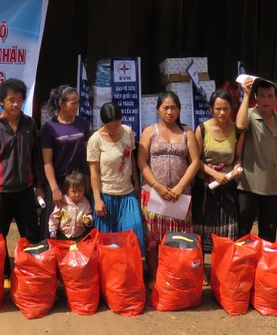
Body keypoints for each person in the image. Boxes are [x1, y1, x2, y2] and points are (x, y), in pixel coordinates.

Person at [0, 78, 45, 278]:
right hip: (0, 193)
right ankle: (3, 278)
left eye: (19, 99)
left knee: (32, 237)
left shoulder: (29, 124)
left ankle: (32, 276)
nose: (15, 104)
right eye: (11, 100)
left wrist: (39, 186)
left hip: (25, 191)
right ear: (2, 101)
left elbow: (35, 157)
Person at [138, 91, 201, 279]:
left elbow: (195, 162)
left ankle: (175, 276)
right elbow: (141, 162)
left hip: (180, 196)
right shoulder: (149, 131)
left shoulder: (188, 132)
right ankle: (156, 277)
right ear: (158, 109)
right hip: (154, 194)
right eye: (165, 107)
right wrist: (157, 185)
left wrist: (180, 186)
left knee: (179, 238)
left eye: (174, 107)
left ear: (180, 109)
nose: (169, 111)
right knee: (153, 238)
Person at [87, 101, 144, 252]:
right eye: (108, 125)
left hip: (127, 192)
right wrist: (97, 199)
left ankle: (131, 271)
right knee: (107, 242)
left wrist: (136, 183)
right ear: (102, 122)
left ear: (121, 120)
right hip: (106, 194)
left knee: (133, 233)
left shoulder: (127, 131)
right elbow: (93, 171)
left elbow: (130, 158)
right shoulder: (95, 140)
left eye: (116, 124)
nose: (113, 128)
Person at [235, 77, 277, 242]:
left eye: (270, 96)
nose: (265, 100)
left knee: (269, 231)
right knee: (244, 229)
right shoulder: (249, 115)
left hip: (273, 184)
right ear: (255, 97)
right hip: (249, 182)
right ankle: (242, 265)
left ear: (276, 98)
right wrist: (245, 95)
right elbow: (240, 126)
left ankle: (265, 266)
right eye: (261, 95)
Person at [192, 89, 241, 254]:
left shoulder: (236, 130)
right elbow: (195, 160)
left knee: (226, 229)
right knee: (202, 227)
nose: (222, 112)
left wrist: (236, 169)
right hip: (204, 186)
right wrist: (214, 174)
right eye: (218, 108)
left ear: (231, 109)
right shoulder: (202, 129)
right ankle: (202, 270)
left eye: (226, 108)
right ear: (211, 109)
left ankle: (221, 268)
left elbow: (238, 157)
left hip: (227, 186)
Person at [39, 84, 91, 238]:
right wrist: (54, 188)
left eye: (78, 102)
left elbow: (89, 155)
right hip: (59, 184)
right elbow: (47, 161)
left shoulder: (82, 123)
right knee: (56, 225)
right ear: (61, 104)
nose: (77, 106)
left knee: (81, 224)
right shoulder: (50, 128)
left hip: (80, 184)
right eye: (73, 103)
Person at [48, 171, 93, 240]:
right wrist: (52, 230)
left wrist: (89, 219)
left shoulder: (85, 202)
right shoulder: (62, 201)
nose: (77, 194)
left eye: (80, 190)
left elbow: (88, 213)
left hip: (79, 236)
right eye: (74, 191)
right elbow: (54, 217)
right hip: (63, 235)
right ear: (67, 190)